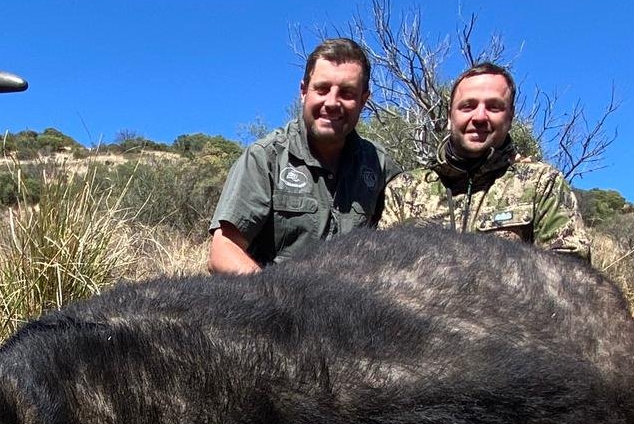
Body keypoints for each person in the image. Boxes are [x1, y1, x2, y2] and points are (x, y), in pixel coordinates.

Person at [208, 38, 398, 274]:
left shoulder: (381, 167)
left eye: (347, 93)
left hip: (355, 304)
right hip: (274, 302)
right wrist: (278, 299)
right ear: (303, 91)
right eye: (322, 89)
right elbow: (223, 250)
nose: (332, 102)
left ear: (364, 100)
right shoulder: (265, 158)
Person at [380, 62, 591, 261]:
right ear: (449, 117)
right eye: (467, 106)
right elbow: (378, 268)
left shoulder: (541, 183)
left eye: (494, 107)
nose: (480, 117)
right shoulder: (404, 190)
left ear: (510, 117)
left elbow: (571, 274)